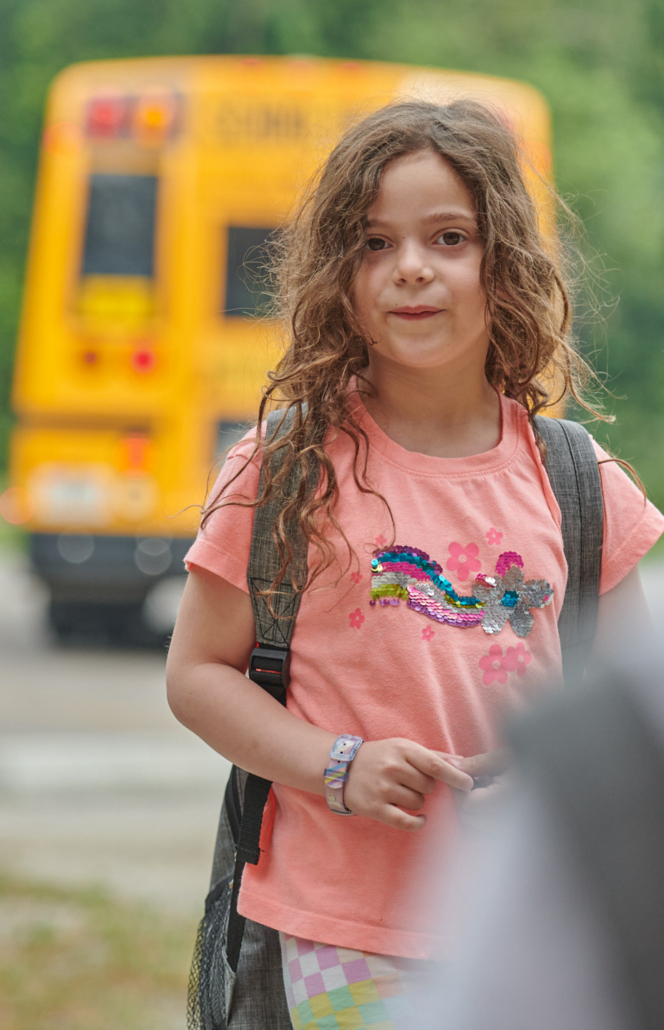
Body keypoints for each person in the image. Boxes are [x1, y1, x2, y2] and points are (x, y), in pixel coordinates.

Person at [166, 100, 664, 1029]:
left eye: (449, 238)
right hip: (338, 929)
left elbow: (630, 723)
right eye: (373, 242)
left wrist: (552, 774)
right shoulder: (286, 467)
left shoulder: (578, 482)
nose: (411, 268)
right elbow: (196, 675)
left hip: (538, 936)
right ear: (337, 274)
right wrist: (336, 765)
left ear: (504, 264)